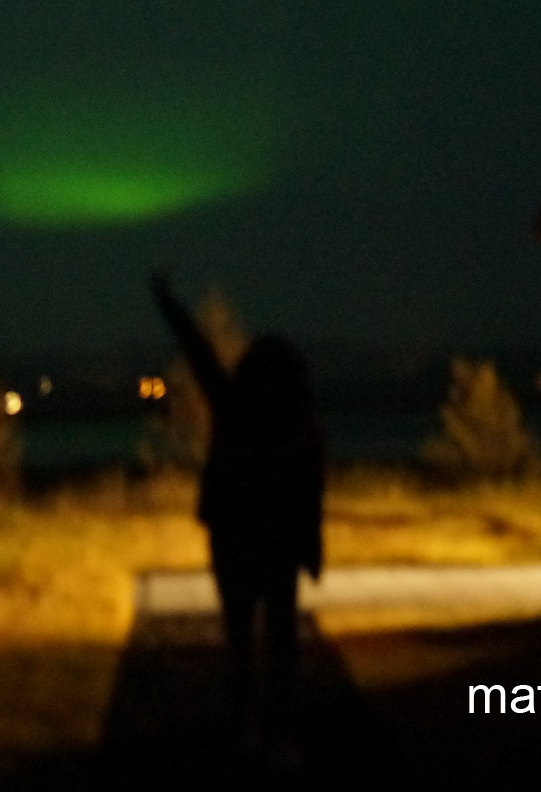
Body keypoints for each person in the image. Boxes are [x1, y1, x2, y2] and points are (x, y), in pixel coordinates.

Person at [147, 267, 325, 762]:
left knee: (243, 642)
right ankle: (276, 734)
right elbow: (311, 496)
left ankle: (246, 729)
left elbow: (199, 353)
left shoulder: (236, 406)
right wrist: (311, 551)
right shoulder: (301, 426)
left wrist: (170, 302)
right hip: (276, 545)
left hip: (235, 542)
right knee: (279, 643)